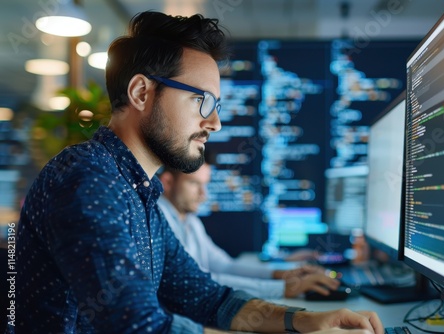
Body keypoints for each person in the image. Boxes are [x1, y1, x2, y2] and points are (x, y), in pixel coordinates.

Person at [11, 11, 384, 334]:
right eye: (201, 100)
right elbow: (138, 327)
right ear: (141, 93)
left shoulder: (141, 193)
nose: (216, 122)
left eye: (216, 105)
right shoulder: (88, 179)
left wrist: (304, 321)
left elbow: (207, 297)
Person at [158, 161, 340, 299]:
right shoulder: (159, 219)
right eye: (194, 184)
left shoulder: (189, 220)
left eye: (205, 185)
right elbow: (196, 280)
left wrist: (281, 274)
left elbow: (224, 266)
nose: (203, 194)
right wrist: (283, 288)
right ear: (167, 182)